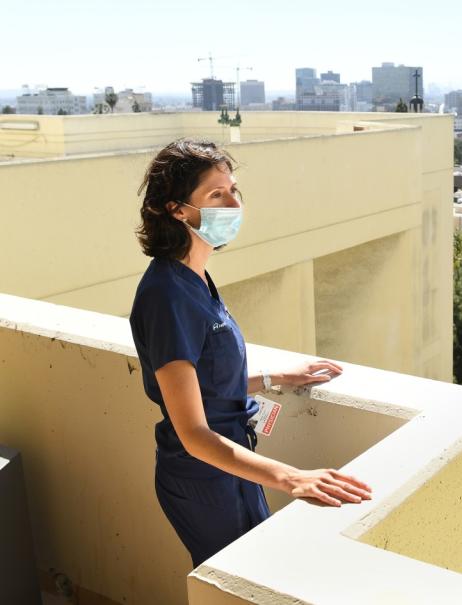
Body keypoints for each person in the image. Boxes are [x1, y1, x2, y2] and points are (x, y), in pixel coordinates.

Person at [130, 139, 372, 567]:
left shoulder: (196, 277)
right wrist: (291, 477)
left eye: (234, 190)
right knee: (239, 583)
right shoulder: (167, 296)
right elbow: (192, 432)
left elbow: (206, 385)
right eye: (216, 194)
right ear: (177, 210)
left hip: (233, 464)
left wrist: (277, 378)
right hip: (203, 477)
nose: (233, 203)